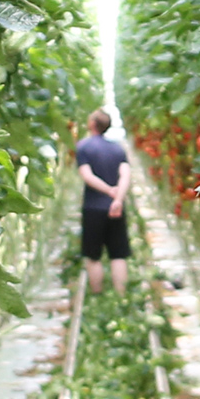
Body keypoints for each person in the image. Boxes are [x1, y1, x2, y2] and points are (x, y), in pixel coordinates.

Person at [75, 108, 131, 294]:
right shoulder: (118, 148)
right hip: (116, 208)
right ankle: (121, 298)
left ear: (92, 124)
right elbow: (125, 175)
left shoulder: (84, 147)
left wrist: (107, 190)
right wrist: (118, 198)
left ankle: (97, 294)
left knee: (93, 257)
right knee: (118, 255)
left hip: (93, 208)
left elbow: (87, 175)